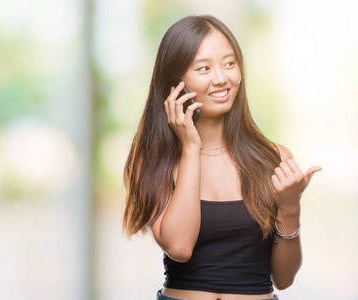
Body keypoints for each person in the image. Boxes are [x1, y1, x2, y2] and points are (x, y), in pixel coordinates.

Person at [122, 15, 321, 300]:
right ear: (175, 83)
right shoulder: (155, 159)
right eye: (204, 68)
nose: (221, 78)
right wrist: (191, 147)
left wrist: (290, 208)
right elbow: (179, 247)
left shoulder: (272, 157)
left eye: (229, 64)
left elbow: (285, 278)